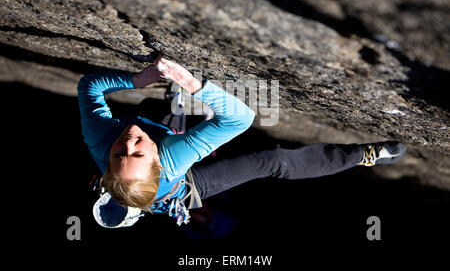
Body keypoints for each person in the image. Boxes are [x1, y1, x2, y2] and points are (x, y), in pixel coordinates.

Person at [78, 57, 407, 228]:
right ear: (156, 160)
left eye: (121, 152)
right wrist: (192, 83)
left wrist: (137, 80)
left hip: (160, 148)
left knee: (159, 108)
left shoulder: (102, 141)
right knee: (270, 163)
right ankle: (362, 156)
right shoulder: (172, 159)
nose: (129, 141)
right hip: (186, 186)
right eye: (136, 152)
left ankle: (175, 108)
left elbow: (88, 87)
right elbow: (240, 119)